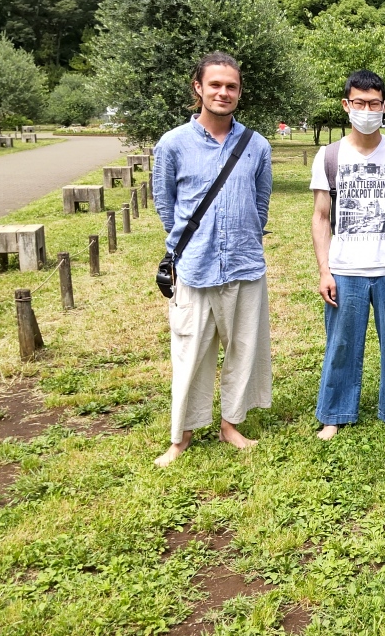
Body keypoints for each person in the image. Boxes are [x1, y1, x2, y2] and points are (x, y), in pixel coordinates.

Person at [153, 52, 274, 468]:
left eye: (232, 86)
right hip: (194, 266)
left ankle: (230, 424)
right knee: (191, 355)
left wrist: (241, 237)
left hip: (244, 265)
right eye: (216, 85)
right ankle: (182, 435)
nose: (224, 92)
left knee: (244, 349)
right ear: (198, 88)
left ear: (239, 92)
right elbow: (165, 206)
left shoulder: (257, 146)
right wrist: (194, 240)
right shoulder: (172, 144)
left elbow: (260, 207)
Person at [310, 69, 385, 440]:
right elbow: (320, 217)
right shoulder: (329, 155)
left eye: (374, 103)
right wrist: (323, 270)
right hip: (345, 269)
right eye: (359, 103)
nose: (367, 109)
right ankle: (334, 412)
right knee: (341, 344)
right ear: (346, 105)